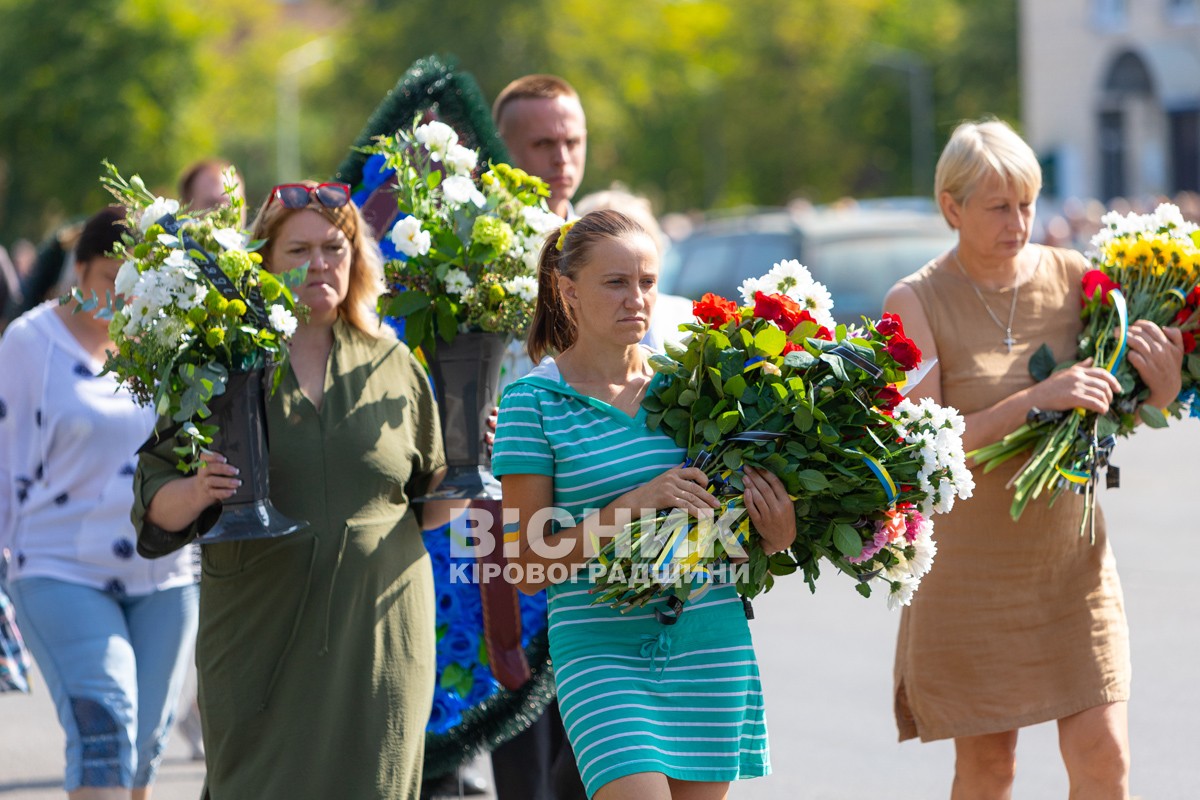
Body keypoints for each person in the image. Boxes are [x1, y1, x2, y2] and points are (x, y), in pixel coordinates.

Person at [884, 119, 1183, 799]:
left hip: (1070, 565)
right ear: (951, 208)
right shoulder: (915, 300)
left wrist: (1159, 389)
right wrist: (1034, 400)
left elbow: (1119, 406)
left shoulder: (1078, 277)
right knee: (990, 771)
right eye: (998, 207)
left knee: (1106, 757)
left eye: (1027, 203)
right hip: (971, 576)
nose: (1019, 222)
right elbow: (923, 454)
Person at [132, 181, 448, 799]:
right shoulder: (213, 364)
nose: (319, 264)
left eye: (334, 247)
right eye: (298, 250)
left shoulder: (395, 363)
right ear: (264, 262)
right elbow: (154, 504)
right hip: (259, 637)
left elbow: (433, 507)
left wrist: (478, 453)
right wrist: (199, 490)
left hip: (378, 637)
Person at [492, 209, 794, 800]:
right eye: (616, 282)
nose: (637, 299)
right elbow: (526, 569)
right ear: (567, 290)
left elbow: (729, 537)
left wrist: (776, 534)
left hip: (710, 641)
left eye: (648, 282)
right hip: (600, 655)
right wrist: (632, 503)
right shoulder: (533, 403)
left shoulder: (695, 387)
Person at [0, 206, 199, 799]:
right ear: (79, 269)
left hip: (165, 573)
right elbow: (6, 465)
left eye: (139, 281)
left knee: (145, 748)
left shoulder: (168, 343)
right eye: (111, 277)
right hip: (60, 567)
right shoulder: (29, 342)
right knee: (105, 732)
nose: (123, 294)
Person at [493, 74, 588, 219]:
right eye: (544, 143)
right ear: (503, 147)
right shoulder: (469, 235)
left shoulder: (598, 239)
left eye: (572, 142)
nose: (562, 159)